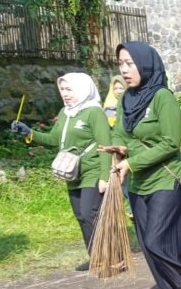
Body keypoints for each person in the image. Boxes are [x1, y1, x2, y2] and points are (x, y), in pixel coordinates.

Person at [102, 41, 181, 289]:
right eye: (121, 64)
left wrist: (132, 161)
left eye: (130, 63)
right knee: (149, 243)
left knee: (159, 239)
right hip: (137, 183)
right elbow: (121, 133)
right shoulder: (127, 99)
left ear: (146, 64)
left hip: (165, 178)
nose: (124, 70)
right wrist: (118, 148)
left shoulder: (163, 97)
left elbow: (171, 143)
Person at [11, 73, 111, 271]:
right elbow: (53, 140)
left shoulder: (94, 112)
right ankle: (95, 258)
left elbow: (105, 145)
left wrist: (105, 177)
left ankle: (109, 257)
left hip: (92, 170)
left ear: (82, 89)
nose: (65, 94)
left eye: (69, 89)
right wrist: (28, 133)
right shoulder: (66, 113)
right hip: (72, 172)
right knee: (80, 216)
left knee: (90, 213)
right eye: (62, 90)